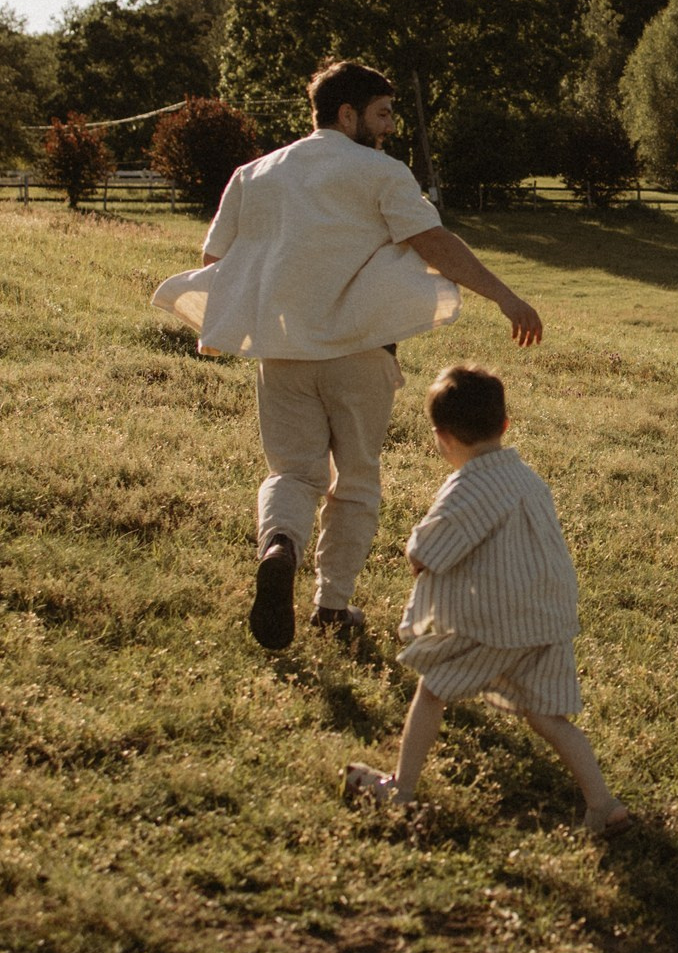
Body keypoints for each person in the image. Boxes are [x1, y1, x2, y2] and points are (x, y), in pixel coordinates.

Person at [157, 60, 543, 653]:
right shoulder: (380, 173)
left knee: (291, 473)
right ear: (347, 113)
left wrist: (229, 325)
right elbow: (435, 243)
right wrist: (506, 296)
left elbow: (217, 265)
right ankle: (331, 605)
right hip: (360, 355)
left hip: (282, 355)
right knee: (356, 480)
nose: (389, 127)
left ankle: (279, 545)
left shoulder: (253, 174)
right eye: (383, 114)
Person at [344, 365, 630, 838]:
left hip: (501, 619)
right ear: (504, 426)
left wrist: (416, 557)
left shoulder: (469, 485)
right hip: (549, 614)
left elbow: (427, 550)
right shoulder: (526, 478)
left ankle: (401, 788)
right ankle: (603, 805)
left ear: (442, 437)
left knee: (433, 688)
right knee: (545, 714)